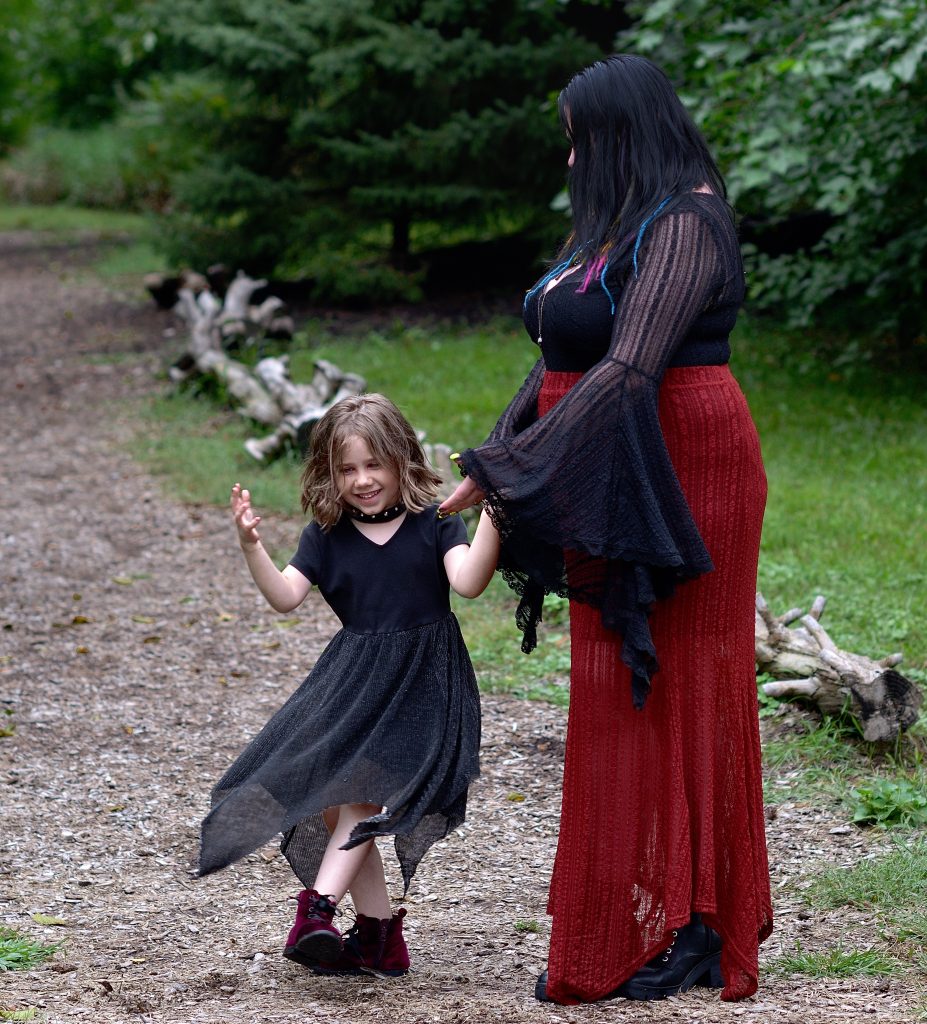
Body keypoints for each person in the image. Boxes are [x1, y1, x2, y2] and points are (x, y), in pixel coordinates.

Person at [440, 54, 772, 1004]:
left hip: (684, 463)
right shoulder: (614, 223)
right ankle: (640, 905)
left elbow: (628, 370)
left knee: (685, 676)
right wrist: (492, 458)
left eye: (580, 134)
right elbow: (559, 353)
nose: (572, 152)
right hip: (606, 465)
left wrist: (512, 471)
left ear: (621, 130)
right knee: (614, 683)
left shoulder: (687, 221)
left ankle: (702, 918)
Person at [199, 393, 500, 978]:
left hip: (424, 680)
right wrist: (250, 547)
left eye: (374, 465)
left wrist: (493, 511)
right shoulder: (326, 534)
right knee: (339, 806)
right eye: (347, 469)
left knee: (359, 796)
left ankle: (316, 909)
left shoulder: (435, 523)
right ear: (329, 474)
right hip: (355, 681)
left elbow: (468, 583)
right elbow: (285, 597)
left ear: (401, 460)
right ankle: (381, 941)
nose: (363, 480)